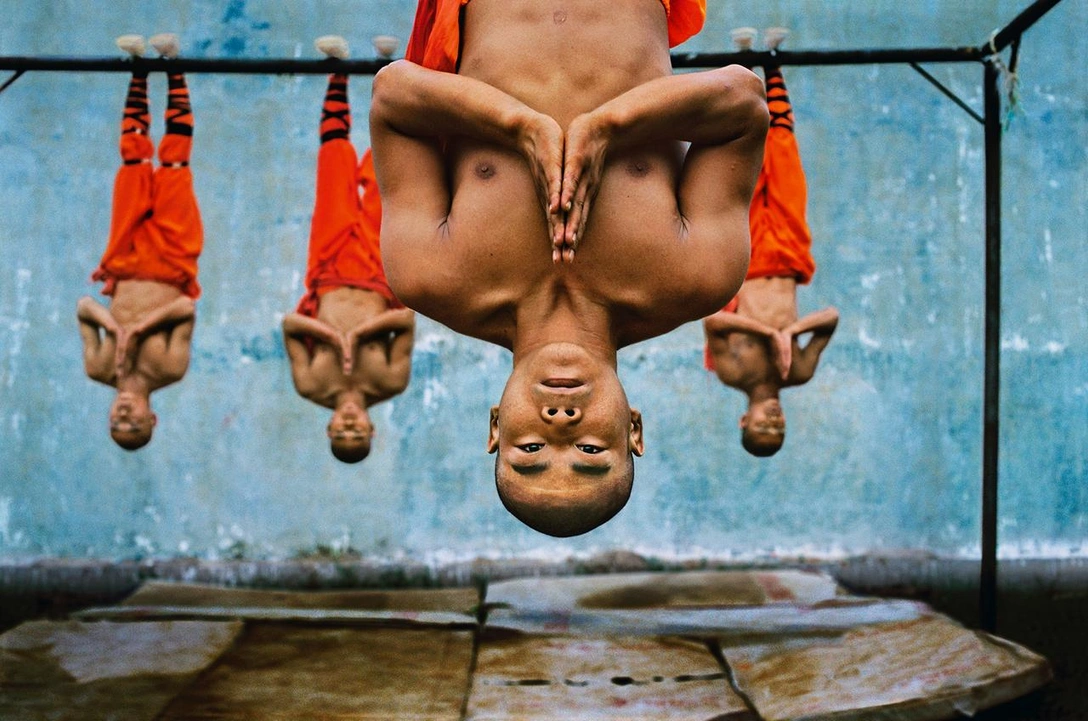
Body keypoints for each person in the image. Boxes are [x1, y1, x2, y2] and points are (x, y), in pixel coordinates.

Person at [369, 0, 768, 535]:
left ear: (495, 427)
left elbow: (393, 95)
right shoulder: (698, 277)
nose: (561, 424)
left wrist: (518, 126)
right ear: (633, 431)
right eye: (591, 450)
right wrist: (608, 127)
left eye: (531, 450)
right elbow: (743, 101)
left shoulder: (429, 276)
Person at [702, 28, 839, 458]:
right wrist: (791, 333)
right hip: (788, 254)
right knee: (783, 158)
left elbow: (714, 323)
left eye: (763, 426)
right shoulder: (797, 371)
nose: (774, 420)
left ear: (744, 420)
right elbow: (831, 318)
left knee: (743, 163)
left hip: (745, 255)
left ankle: (743, 64)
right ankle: (773, 63)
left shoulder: (732, 373)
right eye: (779, 428)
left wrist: (766, 332)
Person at [281, 37, 415, 464]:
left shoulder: (311, 385)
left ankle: (336, 73)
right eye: (358, 432)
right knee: (383, 175)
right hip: (378, 271)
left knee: (334, 172)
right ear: (371, 429)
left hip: (329, 269)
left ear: (330, 427)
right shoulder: (390, 382)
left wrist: (331, 337)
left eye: (342, 431)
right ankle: (386, 70)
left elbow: (289, 325)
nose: (350, 424)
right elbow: (406, 320)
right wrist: (358, 336)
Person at [77, 33, 202, 451]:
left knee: (133, 162)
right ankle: (174, 67)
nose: (124, 417)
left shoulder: (99, 368)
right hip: (172, 261)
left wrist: (114, 328)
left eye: (117, 424)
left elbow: (85, 307)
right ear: (152, 418)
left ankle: (138, 71)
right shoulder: (169, 370)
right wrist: (141, 330)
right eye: (134, 425)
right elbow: (185, 309)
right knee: (174, 163)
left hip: (125, 260)